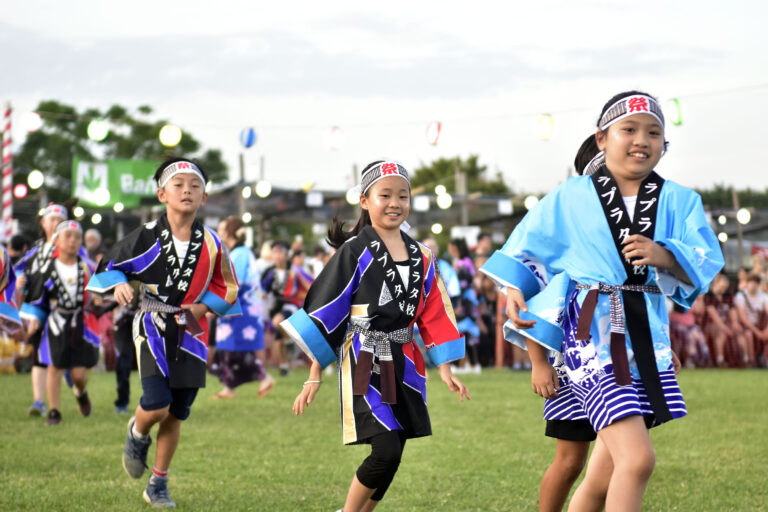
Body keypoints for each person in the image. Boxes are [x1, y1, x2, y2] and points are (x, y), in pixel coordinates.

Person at [481, 91, 723, 511]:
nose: (641, 140)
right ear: (601, 139)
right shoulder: (570, 195)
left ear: (664, 145)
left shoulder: (682, 200)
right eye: (628, 130)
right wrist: (514, 290)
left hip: (645, 334)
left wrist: (664, 255)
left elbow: (704, 259)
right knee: (637, 458)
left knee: (604, 472)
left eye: (653, 132)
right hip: (590, 334)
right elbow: (525, 249)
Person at [282, 160, 470, 512]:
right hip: (364, 357)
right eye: (385, 195)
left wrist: (446, 367)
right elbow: (328, 309)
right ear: (365, 201)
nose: (395, 202)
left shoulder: (424, 256)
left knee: (395, 449)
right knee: (386, 449)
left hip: (405, 360)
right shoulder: (354, 252)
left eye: (403, 195)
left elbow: (435, 311)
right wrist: (312, 376)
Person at [86, 157, 240, 508]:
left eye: (195, 186)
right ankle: (137, 432)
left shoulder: (213, 243)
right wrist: (120, 285)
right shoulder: (144, 238)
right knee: (157, 403)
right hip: (152, 324)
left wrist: (200, 309)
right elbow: (107, 268)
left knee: (178, 410)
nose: (187, 190)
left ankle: (158, 483)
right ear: (161, 194)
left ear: (204, 197)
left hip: (192, 329)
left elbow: (228, 287)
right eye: (178, 185)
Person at [21, 220, 100, 426]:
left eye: (77, 237)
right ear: (56, 240)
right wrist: (34, 320)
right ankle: (54, 411)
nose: (73, 241)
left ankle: (80, 393)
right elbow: (37, 298)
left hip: (80, 323)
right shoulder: (46, 270)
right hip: (55, 323)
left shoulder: (87, 268)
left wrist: (100, 299)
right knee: (54, 367)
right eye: (68, 236)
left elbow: (98, 294)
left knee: (79, 374)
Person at [209, 216, 275, 399]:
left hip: (241, 307)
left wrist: (213, 306)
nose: (219, 233)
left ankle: (263, 377)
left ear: (230, 233)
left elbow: (232, 284)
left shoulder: (239, 254)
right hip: (239, 307)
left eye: (222, 229)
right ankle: (229, 387)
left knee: (236, 348)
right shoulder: (240, 252)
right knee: (228, 347)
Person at [15, 203, 69, 416]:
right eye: (52, 219)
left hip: (64, 310)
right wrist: (21, 283)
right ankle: (39, 401)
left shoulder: (72, 247)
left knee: (62, 358)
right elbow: (20, 273)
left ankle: (75, 384)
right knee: (39, 354)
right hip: (37, 308)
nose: (55, 223)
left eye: (60, 220)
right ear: (43, 223)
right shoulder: (35, 251)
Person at [261, 240, 314, 376]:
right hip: (276, 305)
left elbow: (308, 284)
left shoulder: (295, 271)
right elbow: (263, 290)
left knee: (277, 322)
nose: (277, 257)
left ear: (286, 255)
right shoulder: (270, 272)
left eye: (280, 254)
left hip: (291, 304)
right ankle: (284, 365)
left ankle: (290, 340)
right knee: (278, 338)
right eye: (275, 254)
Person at [448, 237, 481, 374]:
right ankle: (471, 364)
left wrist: (457, 304)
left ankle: (459, 365)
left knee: (459, 333)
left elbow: (461, 286)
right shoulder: (466, 262)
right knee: (466, 333)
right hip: (469, 302)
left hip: (463, 303)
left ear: (456, 249)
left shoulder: (462, 264)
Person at [734, 273, 768, 367]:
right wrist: (757, 332)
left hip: (760, 325)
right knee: (748, 334)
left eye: (755, 282)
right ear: (747, 283)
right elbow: (743, 317)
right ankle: (749, 359)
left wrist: (766, 330)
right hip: (746, 325)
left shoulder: (763, 296)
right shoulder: (741, 296)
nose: (753, 285)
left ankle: (764, 359)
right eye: (751, 282)